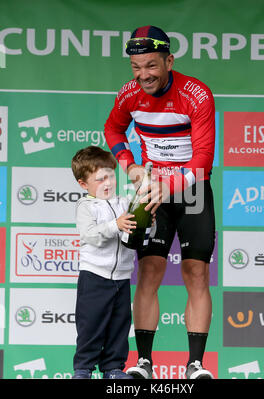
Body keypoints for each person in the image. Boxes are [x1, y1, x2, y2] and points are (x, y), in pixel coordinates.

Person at [104, 26, 216, 379]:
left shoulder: (195, 94)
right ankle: (144, 363)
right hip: (152, 187)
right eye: (136, 68)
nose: (143, 75)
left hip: (191, 189)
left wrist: (169, 188)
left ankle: (195, 365)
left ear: (169, 60)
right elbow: (113, 130)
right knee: (149, 272)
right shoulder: (128, 94)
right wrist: (130, 166)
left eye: (151, 66)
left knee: (196, 273)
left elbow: (202, 161)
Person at [71, 145, 137, 379]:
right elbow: (90, 235)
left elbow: (137, 229)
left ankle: (113, 368)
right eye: (100, 179)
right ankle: (83, 369)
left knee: (119, 325)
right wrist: (115, 225)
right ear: (83, 184)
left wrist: (146, 219)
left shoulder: (124, 202)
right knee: (91, 325)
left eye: (110, 175)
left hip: (122, 276)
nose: (108, 182)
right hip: (94, 276)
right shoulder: (85, 206)